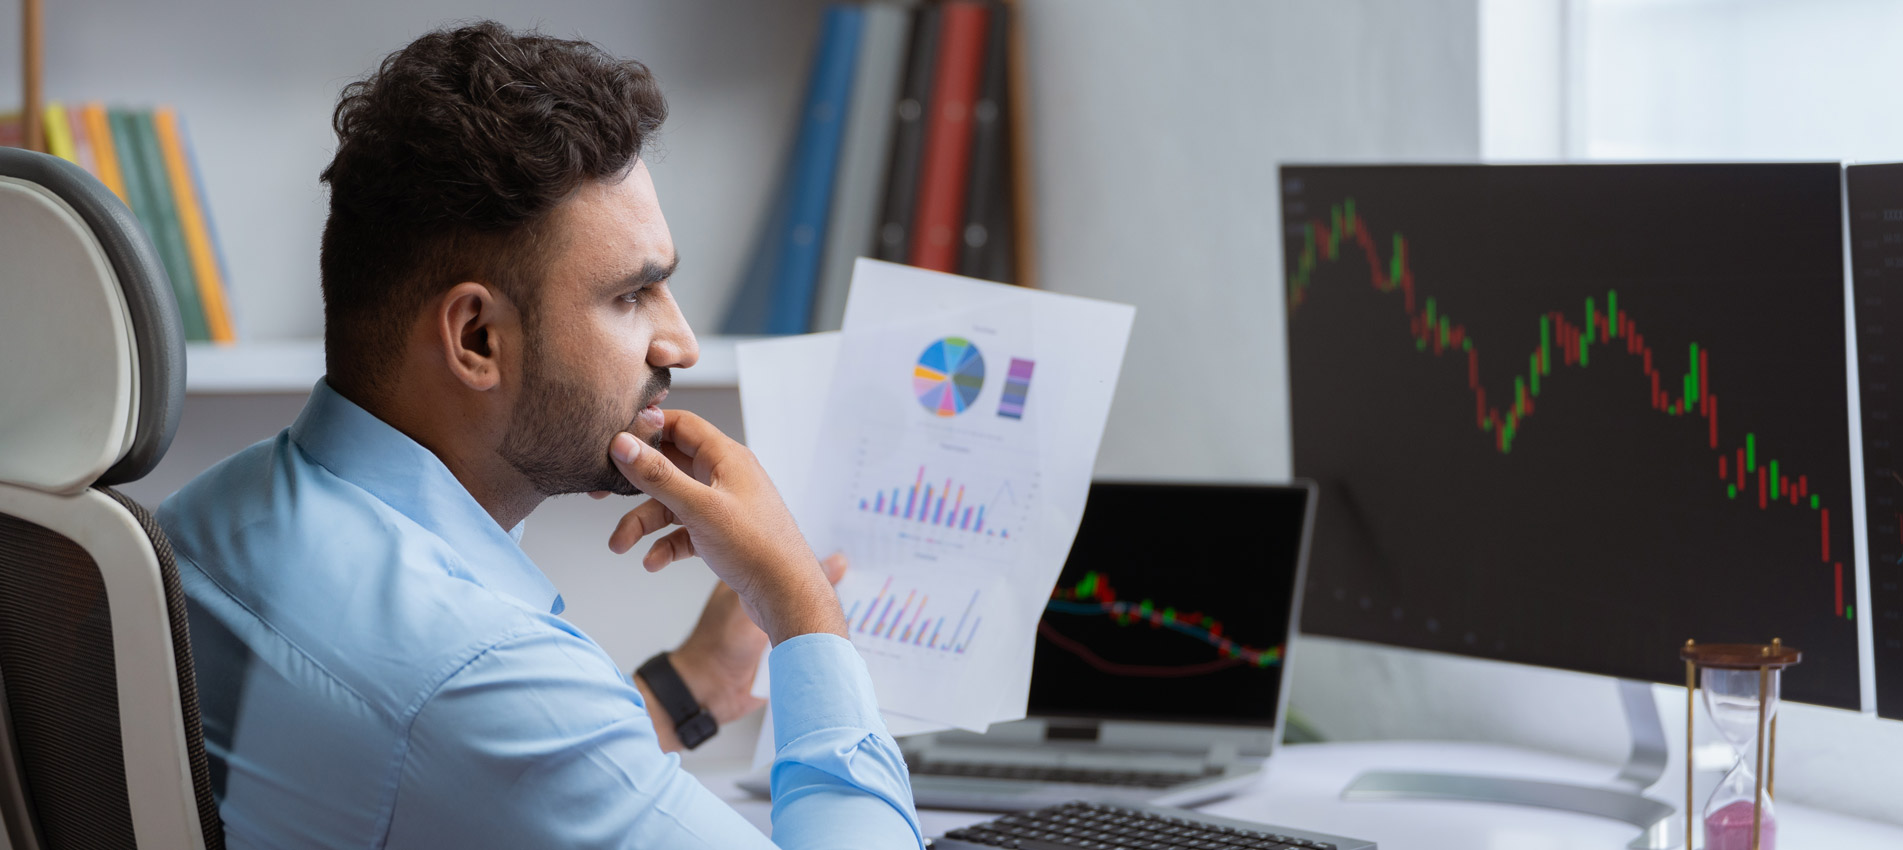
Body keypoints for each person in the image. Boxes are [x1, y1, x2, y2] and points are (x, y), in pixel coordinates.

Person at [157, 21, 922, 849]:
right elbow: (466, 722)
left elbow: (432, 767)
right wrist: (799, 606)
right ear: (477, 338)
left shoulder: (206, 520)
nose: (680, 344)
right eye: (631, 296)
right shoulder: (476, 671)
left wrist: (691, 683)